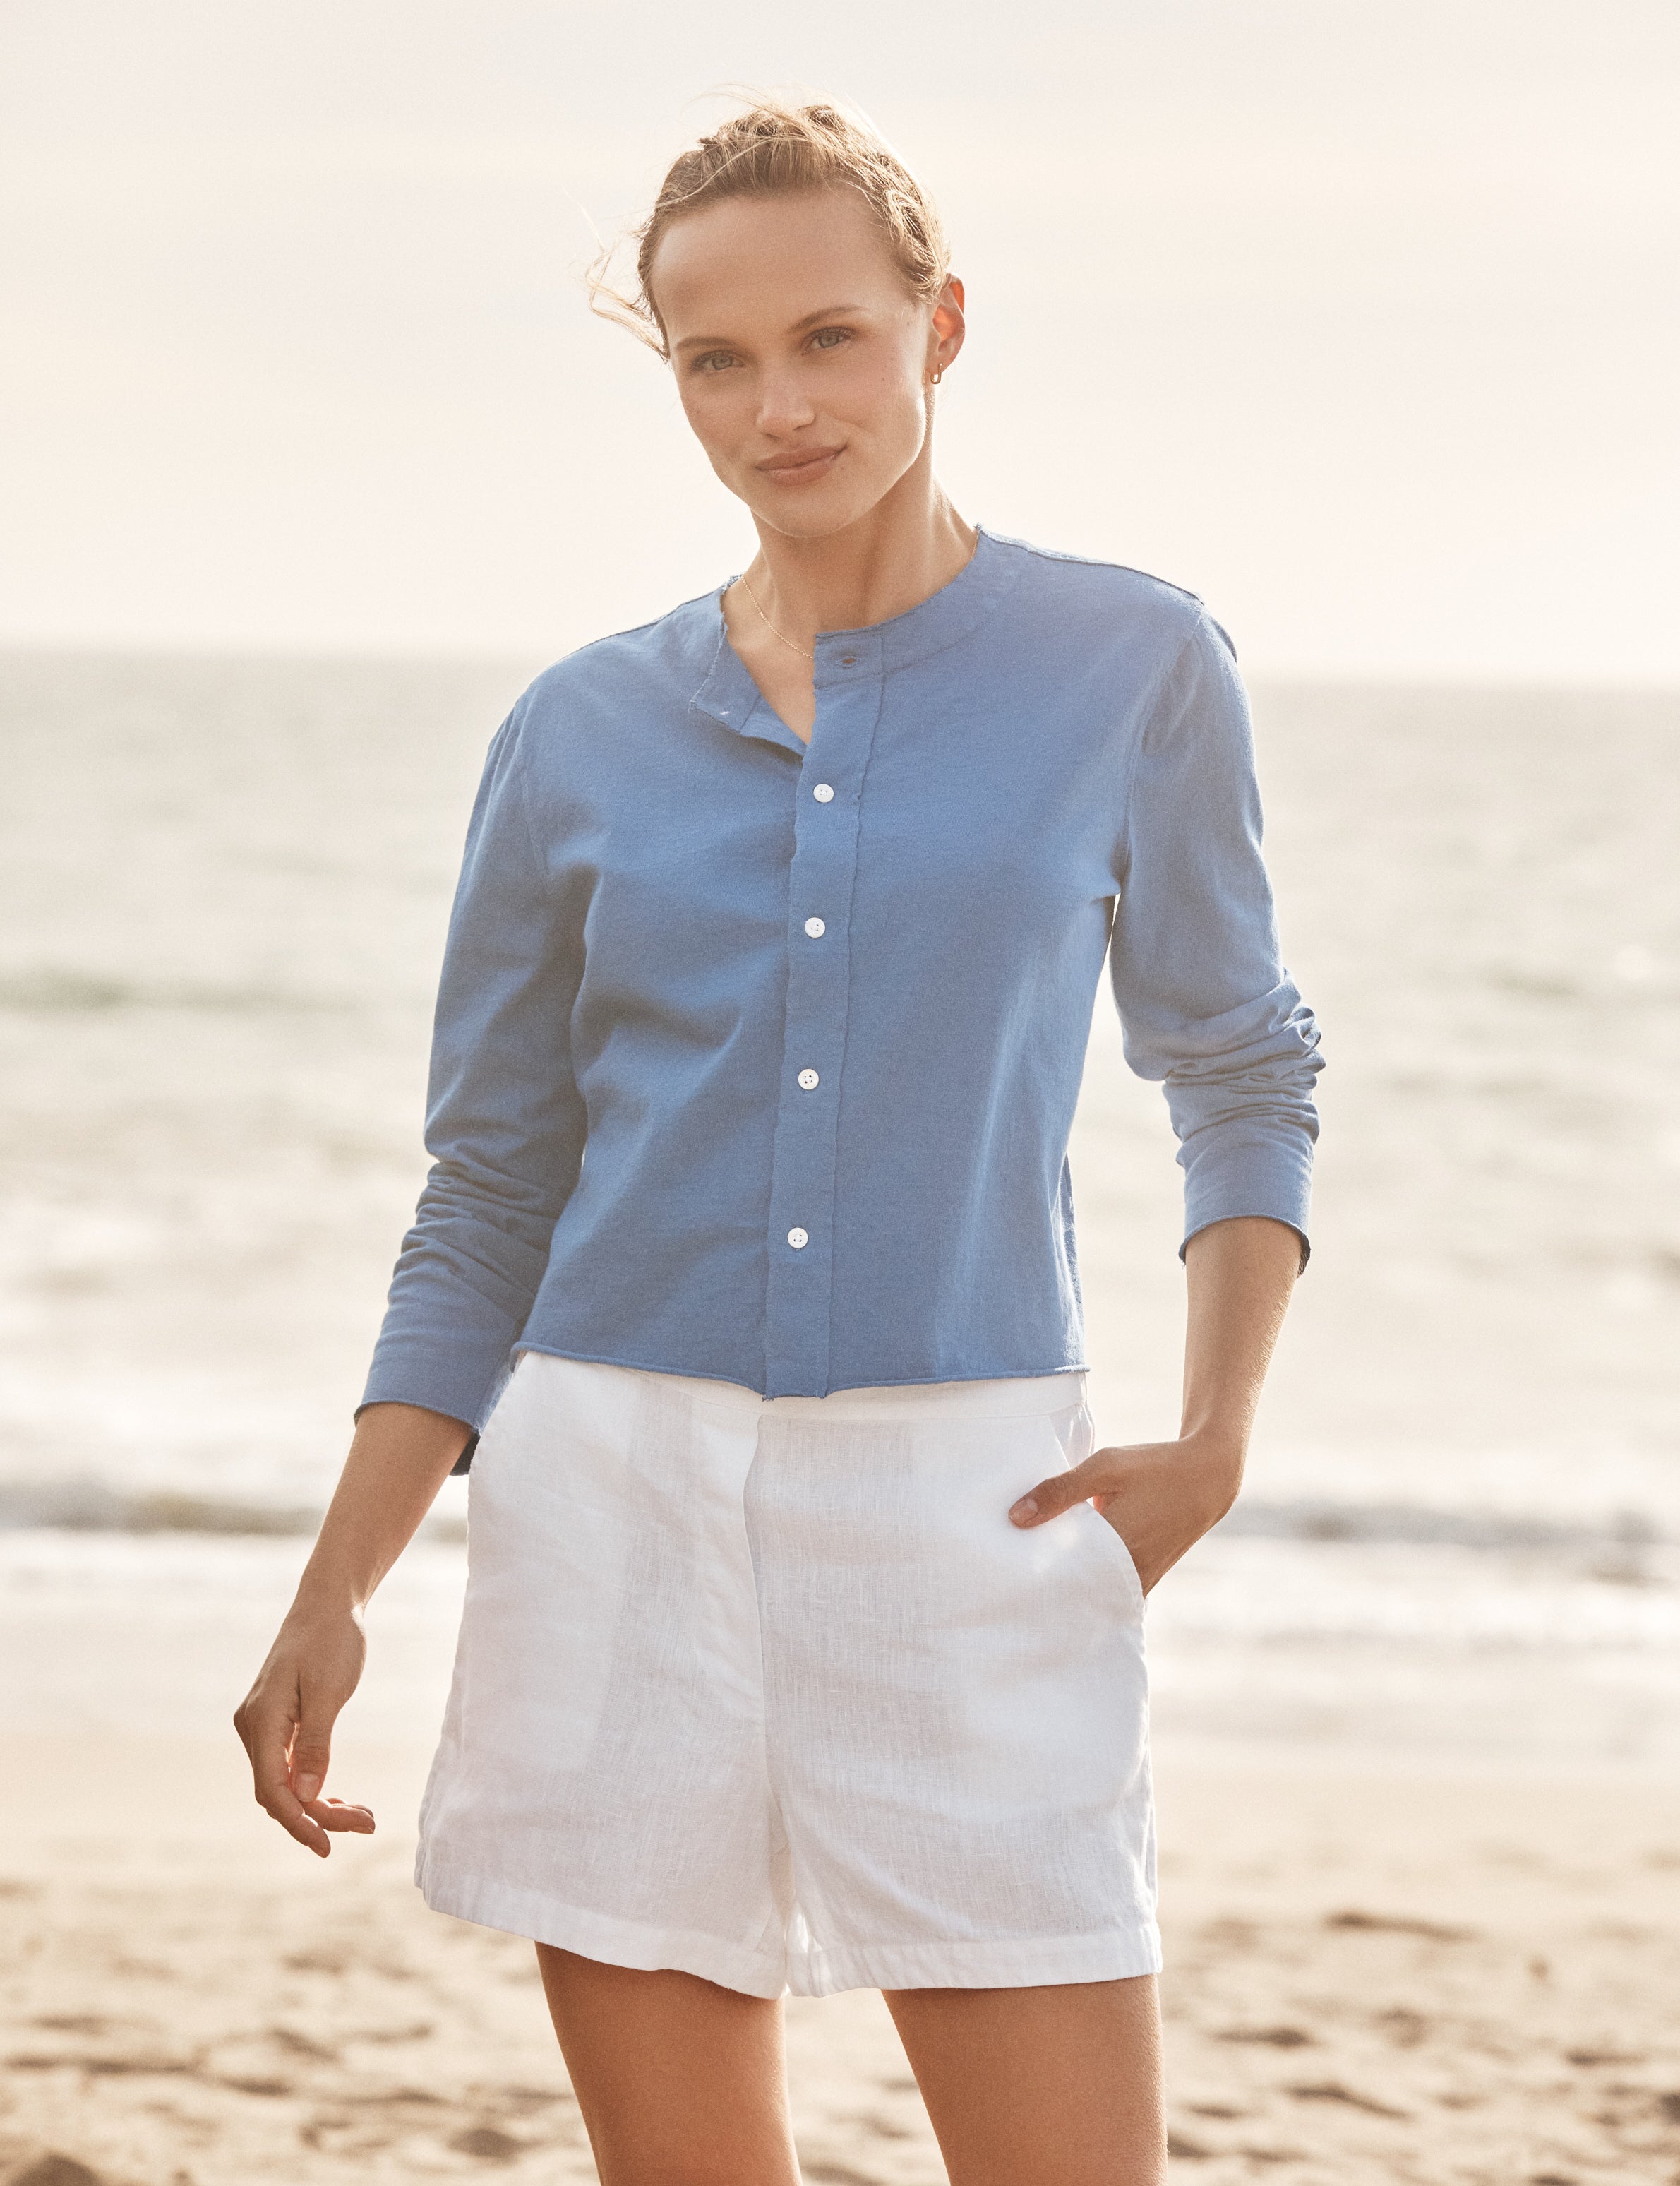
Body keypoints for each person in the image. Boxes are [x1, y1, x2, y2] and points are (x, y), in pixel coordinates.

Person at [235, 97, 1323, 2186]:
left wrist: (1213, 1436)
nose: (776, 405)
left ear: (942, 326)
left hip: (970, 1502)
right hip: (610, 1502)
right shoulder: (576, 731)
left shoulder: (1130, 666)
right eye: (712, 360)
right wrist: (338, 1580)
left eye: (829, 338)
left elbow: (1238, 1060)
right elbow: (488, 1194)